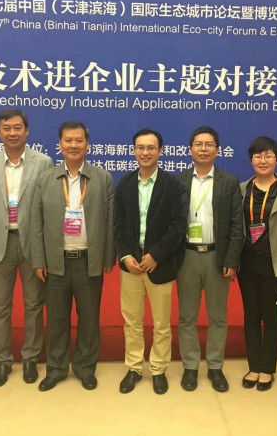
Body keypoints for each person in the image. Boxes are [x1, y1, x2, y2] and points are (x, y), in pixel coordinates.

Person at [30, 121, 116, 391]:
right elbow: (36, 222)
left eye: (79, 140)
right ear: (60, 144)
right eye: (68, 140)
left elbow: (110, 222)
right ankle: (56, 369)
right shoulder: (46, 178)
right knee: (56, 319)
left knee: (89, 318)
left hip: (88, 261)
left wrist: (108, 257)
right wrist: (39, 260)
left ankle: (85, 368)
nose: (74, 145)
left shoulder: (102, 178)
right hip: (56, 262)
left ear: (87, 145)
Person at [0, 109, 54, 387]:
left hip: (33, 243)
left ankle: (30, 357)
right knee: (0, 307)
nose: (13, 133)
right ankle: (3, 360)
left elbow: (48, 208)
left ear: (27, 130)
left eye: (18, 127)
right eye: (7, 128)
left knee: (34, 304)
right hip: (1, 244)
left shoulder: (43, 162)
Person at [114, 128, 188, 395]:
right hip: (131, 266)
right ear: (134, 150)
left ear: (160, 151)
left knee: (161, 324)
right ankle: (134, 367)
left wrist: (157, 255)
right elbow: (118, 224)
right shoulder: (125, 182)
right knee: (132, 321)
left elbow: (179, 226)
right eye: (140, 147)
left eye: (151, 148)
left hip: (161, 264)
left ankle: (158, 369)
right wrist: (125, 256)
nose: (145, 152)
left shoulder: (173, 185)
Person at [175, 126, 243, 392]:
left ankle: (215, 367)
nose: (203, 148)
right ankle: (190, 367)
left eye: (209, 144)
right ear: (190, 149)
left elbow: (237, 225)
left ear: (217, 150)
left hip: (218, 256)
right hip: (187, 257)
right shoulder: (178, 181)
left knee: (218, 317)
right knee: (187, 316)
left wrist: (232, 260)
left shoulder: (229, 181)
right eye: (198, 144)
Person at [238, 136, 277, 391]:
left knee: (272, 317)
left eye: (268, 156)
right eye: (258, 156)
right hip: (246, 264)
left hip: (275, 264)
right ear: (251, 160)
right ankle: (254, 366)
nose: (262, 161)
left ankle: (267, 368)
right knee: (251, 316)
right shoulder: (242, 189)